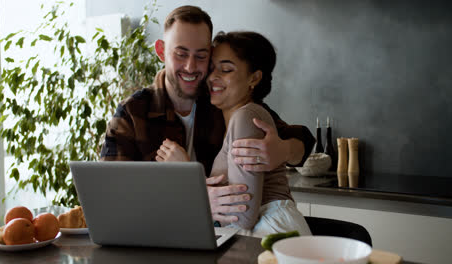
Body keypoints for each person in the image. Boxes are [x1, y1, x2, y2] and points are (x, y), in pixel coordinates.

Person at [100, 5, 315, 224]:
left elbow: (302, 138)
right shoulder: (132, 114)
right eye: (181, 54)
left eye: (201, 56)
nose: (191, 67)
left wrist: (284, 150)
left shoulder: (223, 101)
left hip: (220, 239)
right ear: (161, 51)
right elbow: (110, 199)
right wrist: (193, 196)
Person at [159, 31, 312, 237]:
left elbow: (242, 217)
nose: (212, 77)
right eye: (212, 69)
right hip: (262, 228)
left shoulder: (247, 117)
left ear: (254, 78)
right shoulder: (229, 115)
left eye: (226, 69)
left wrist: (186, 172)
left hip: (268, 229)